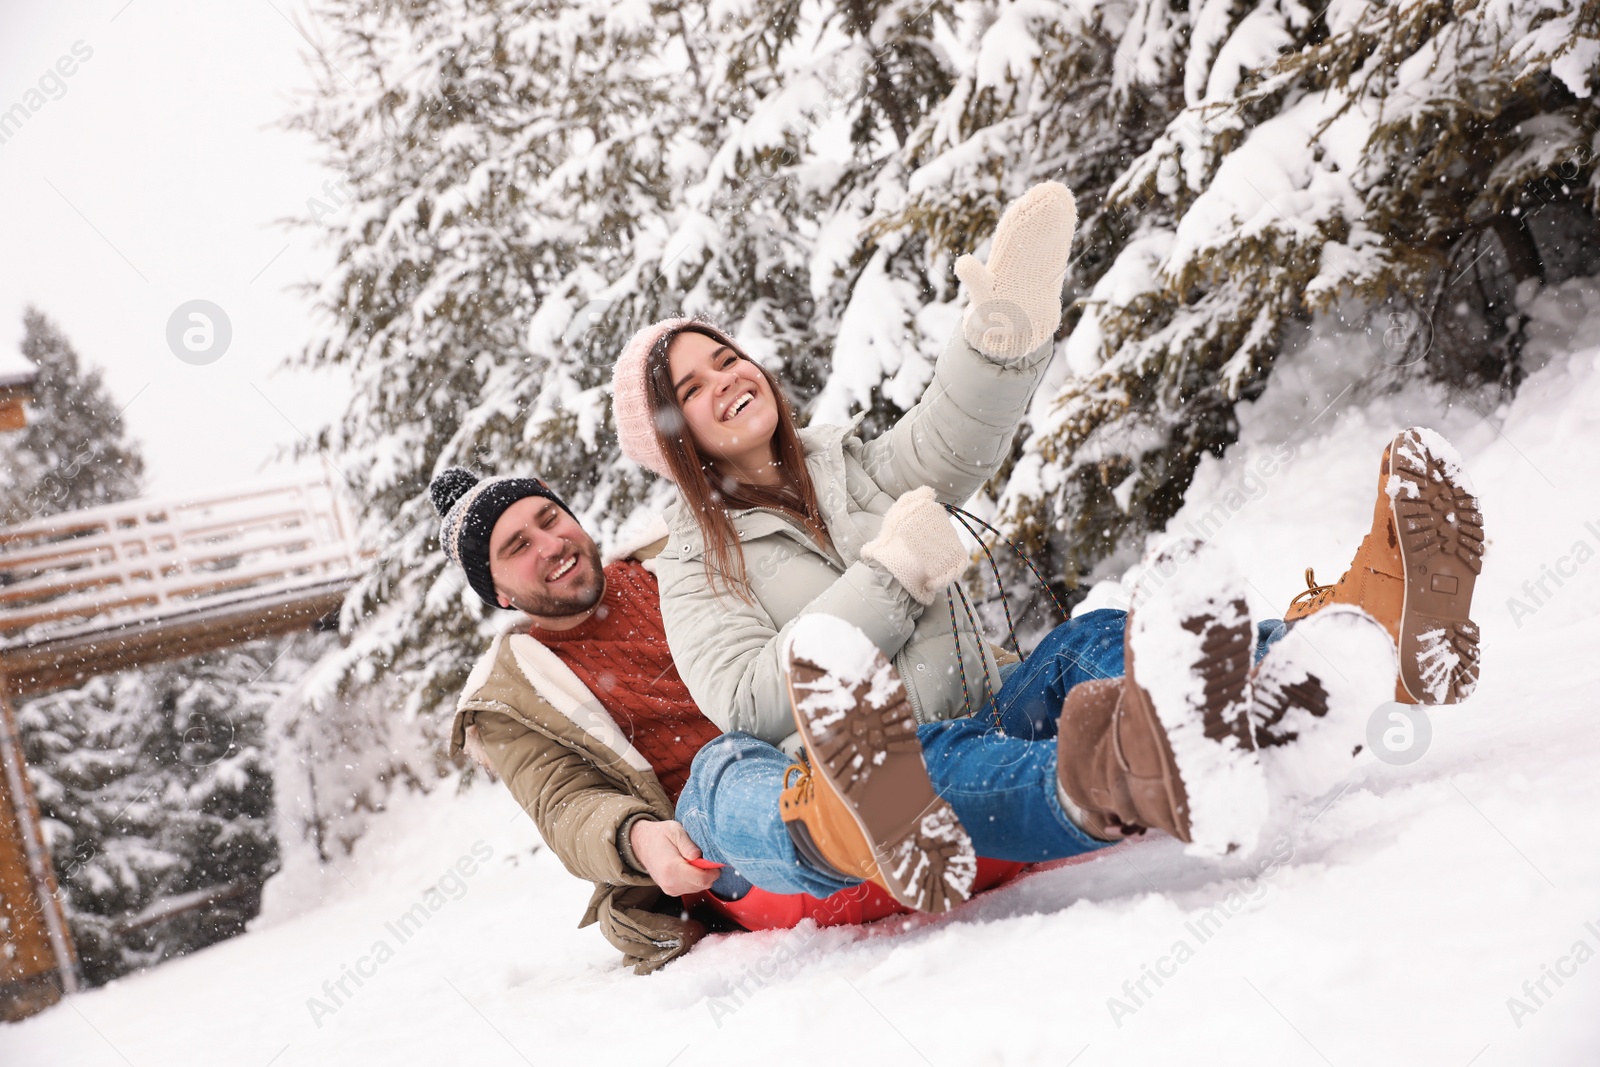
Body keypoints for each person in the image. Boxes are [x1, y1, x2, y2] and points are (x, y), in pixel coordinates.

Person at [609, 182, 1484, 915]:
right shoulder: (693, 565)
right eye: (691, 386)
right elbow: (751, 700)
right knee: (937, 761)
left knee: (1091, 643)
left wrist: (1000, 338)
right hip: (892, 769)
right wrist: (892, 577)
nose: (725, 379)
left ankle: (1329, 665)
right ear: (671, 438)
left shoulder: (850, 466)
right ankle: (1139, 768)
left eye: (725, 358)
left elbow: (947, 445)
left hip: (994, 703)